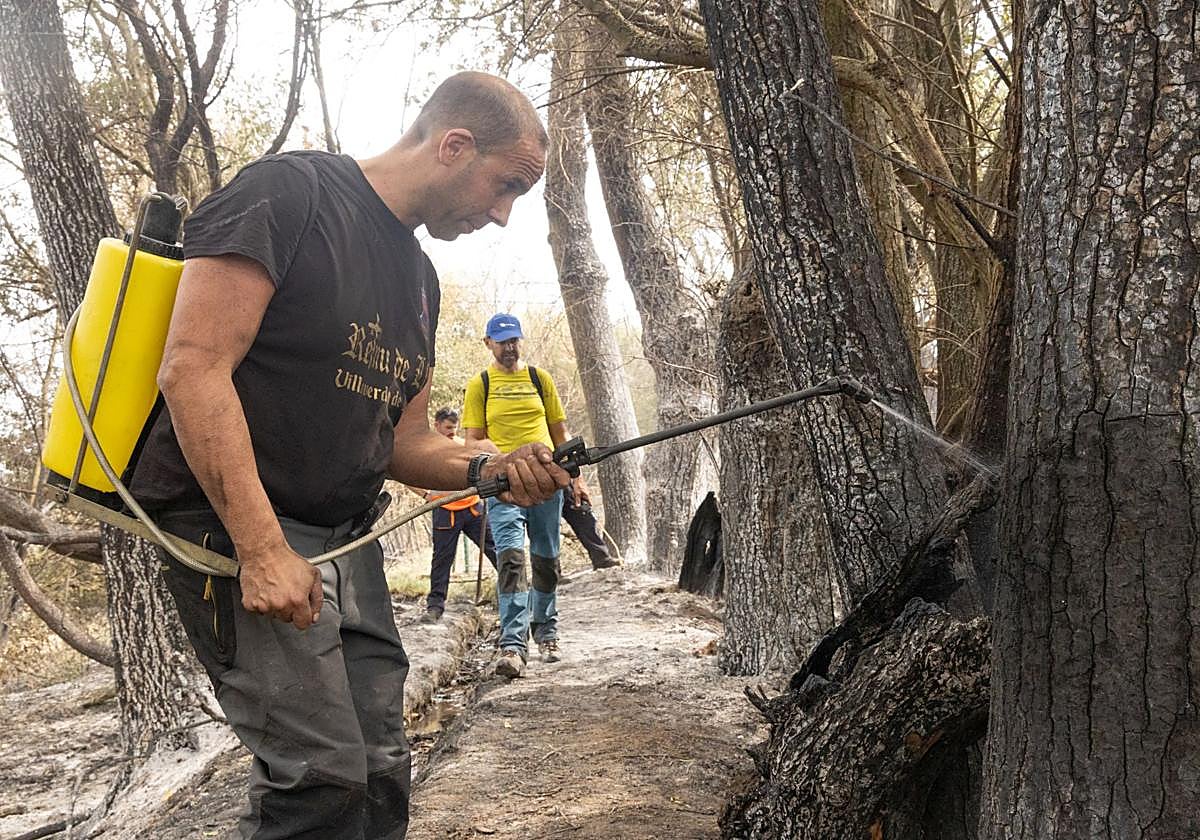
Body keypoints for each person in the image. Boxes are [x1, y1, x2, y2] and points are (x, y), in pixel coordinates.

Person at [129, 72, 569, 840]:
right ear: (453, 146)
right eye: (503, 188)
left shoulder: (419, 281)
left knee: (380, 764)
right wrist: (261, 549)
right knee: (319, 779)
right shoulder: (289, 193)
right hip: (237, 529)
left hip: (346, 539)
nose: (500, 216)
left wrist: (489, 467)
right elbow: (191, 369)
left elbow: (402, 444)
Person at [462, 313, 588, 678]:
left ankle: (546, 631)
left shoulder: (539, 379)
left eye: (514, 339)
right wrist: (493, 463)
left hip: (548, 484)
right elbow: (472, 442)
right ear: (488, 343)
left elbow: (560, 434)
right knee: (512, 561)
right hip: (503, 491)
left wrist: (575, 479)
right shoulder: (481, 385)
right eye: (501, 340)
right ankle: (513, 645)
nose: (509, 346)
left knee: (546, 559)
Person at [407, 407, 497, 623]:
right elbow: (407, 474)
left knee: (495, 549)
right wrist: (426, 495)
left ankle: (518, 588)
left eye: (454, 429)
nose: (450, 432)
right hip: (445, 511)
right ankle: (435, 607)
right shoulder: (425, 448)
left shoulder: (462, 445)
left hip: (473, 508)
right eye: (447, 428)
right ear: (436, 424)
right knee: (442, 560)